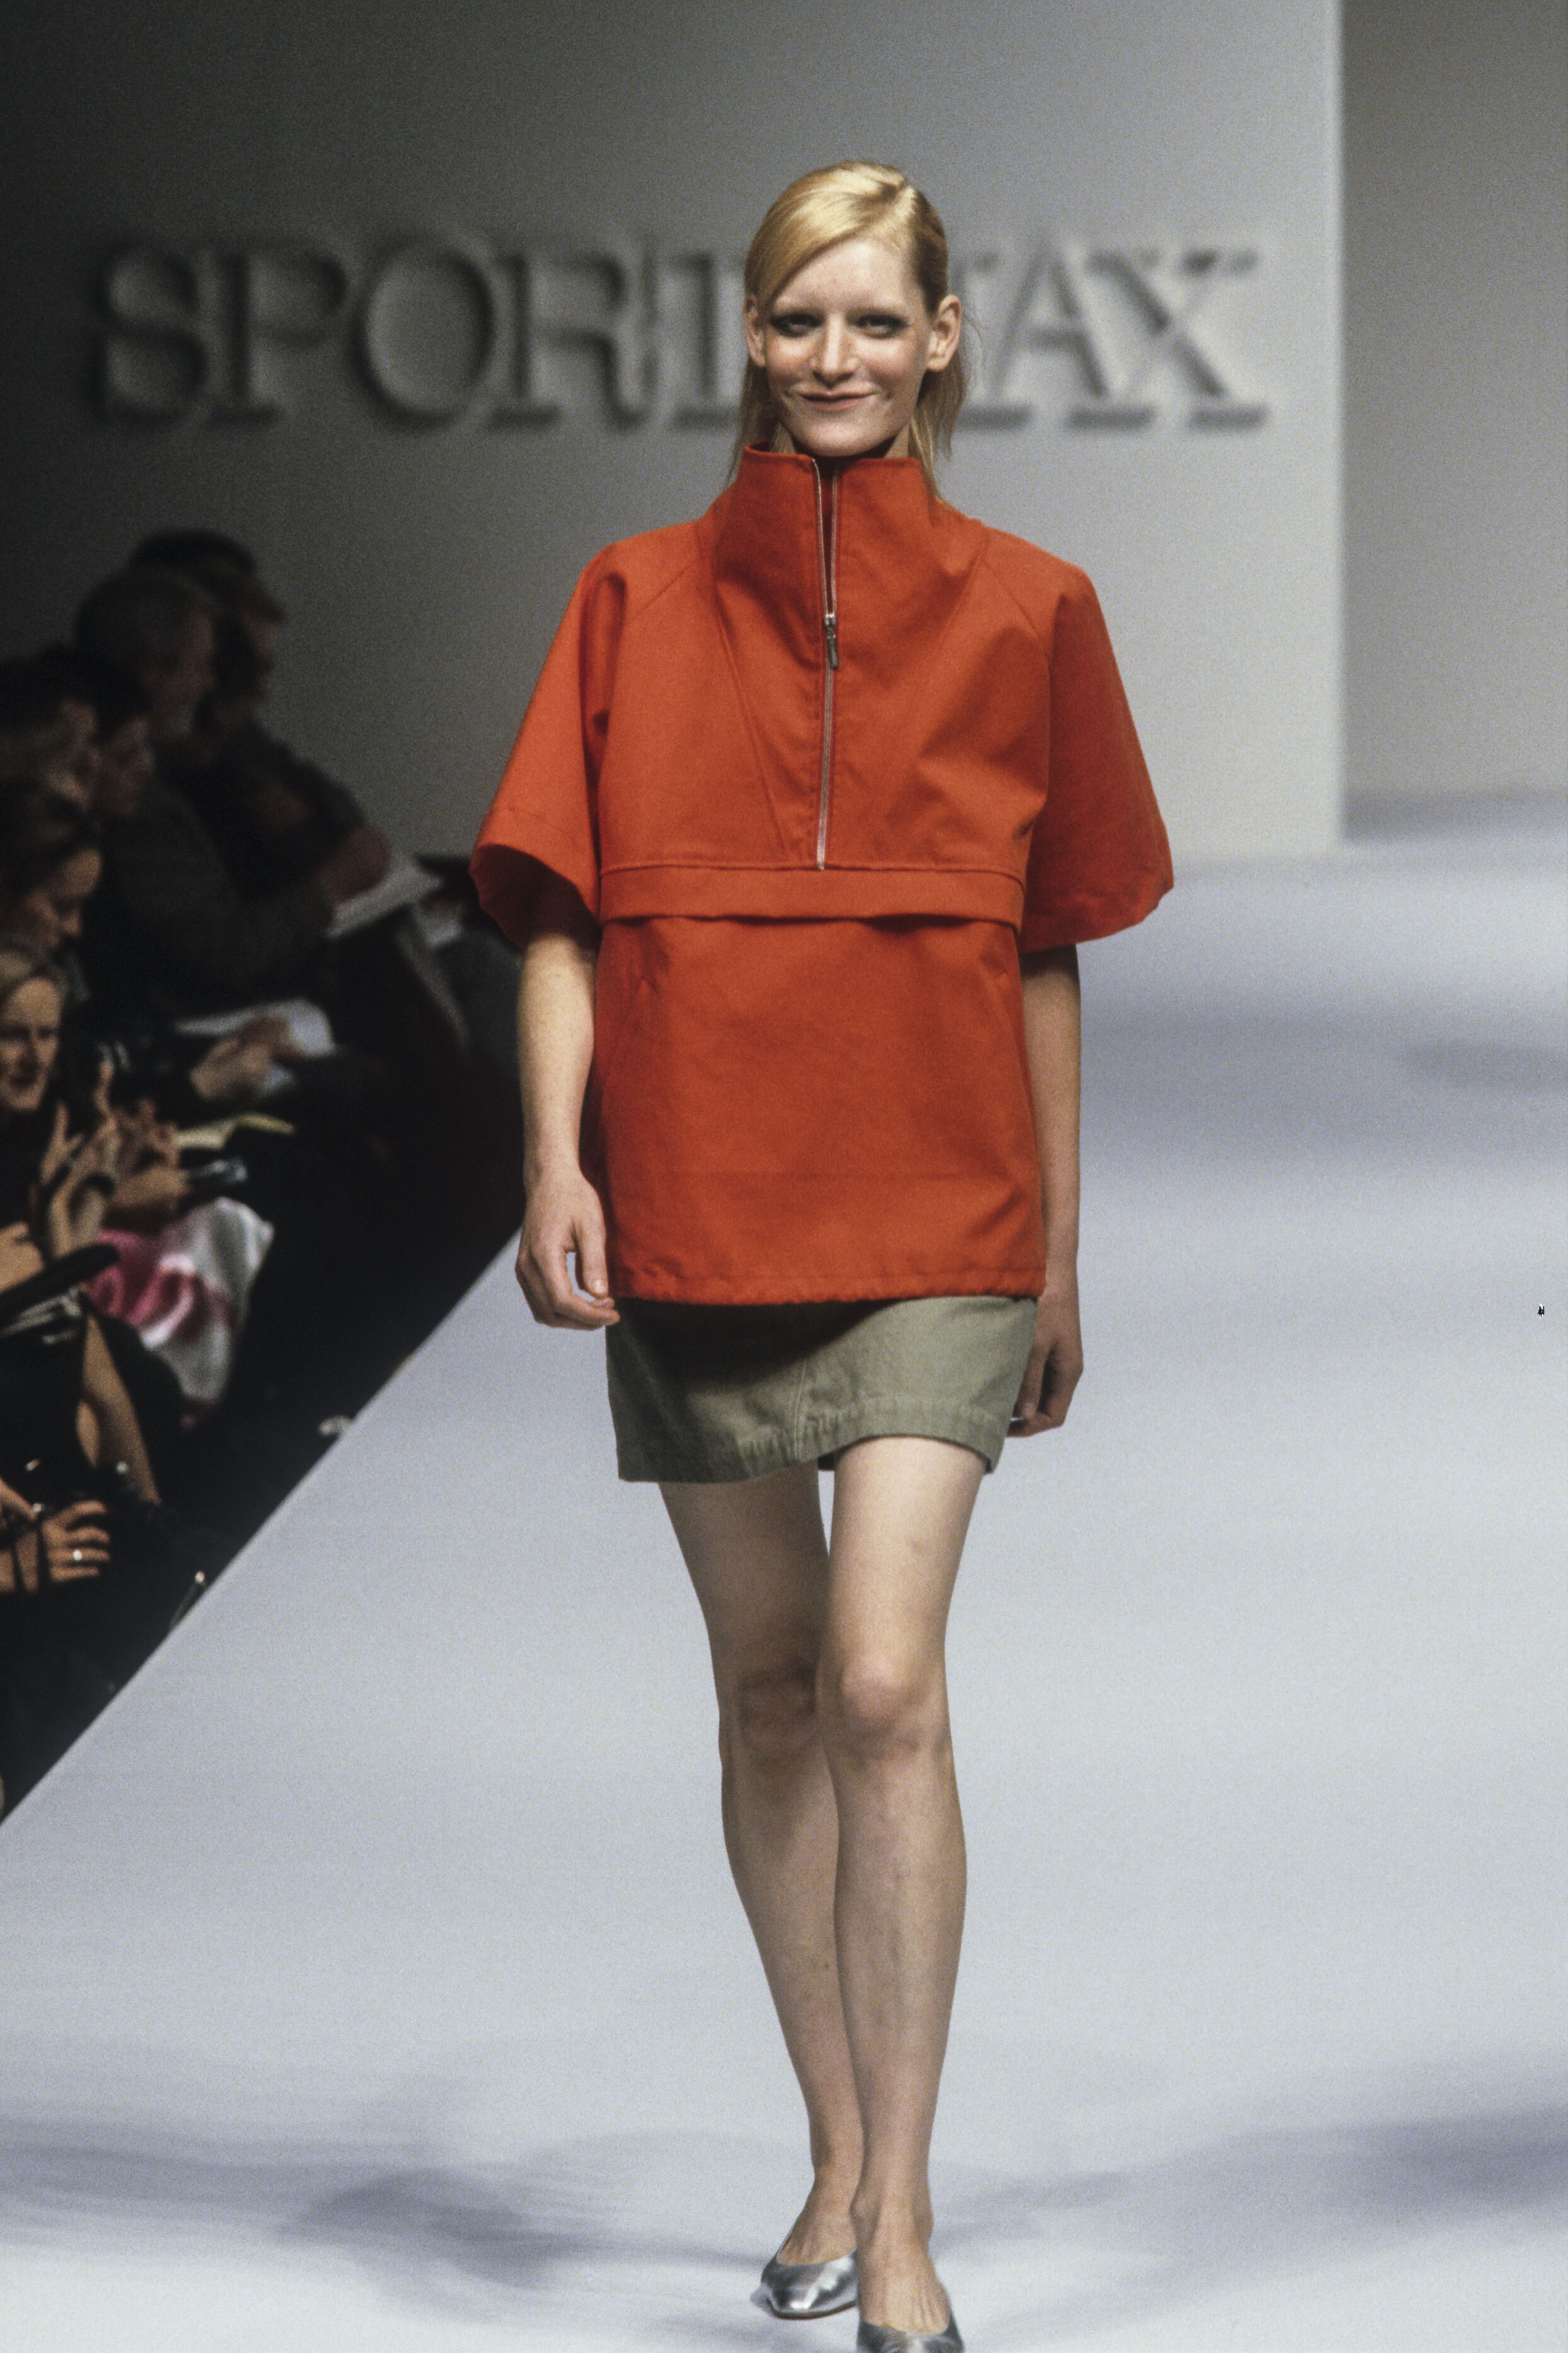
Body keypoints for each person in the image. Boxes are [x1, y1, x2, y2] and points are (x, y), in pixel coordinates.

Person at [471, 163, 1172, 2353]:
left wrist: (1057, 1255)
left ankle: (908, 2227)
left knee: (880, 1684)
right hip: (701, 1190)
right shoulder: (627, 599)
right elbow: (561, 916)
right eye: (799, 320)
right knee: (771, 1689)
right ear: (753, 341)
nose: (836, 357)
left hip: (941, 1210)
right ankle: (839, 2147)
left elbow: (1048, 949)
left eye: (876, 319)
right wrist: (554, 1161)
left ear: (945, 335)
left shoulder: (1036, 610)